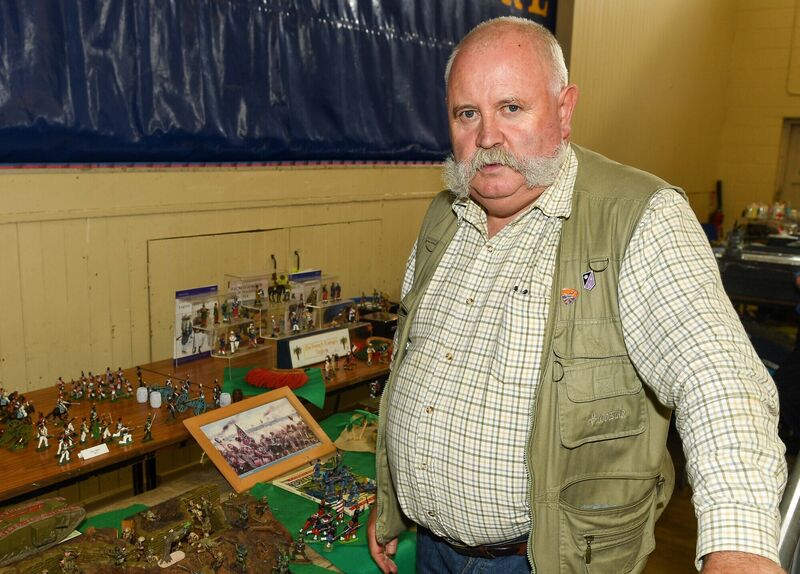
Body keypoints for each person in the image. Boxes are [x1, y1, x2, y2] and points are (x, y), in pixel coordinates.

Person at [368, 16, 787, 574]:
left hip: (545, 561)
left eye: (511, 108)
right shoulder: (444, 216)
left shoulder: (638, 218)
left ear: (564, 111)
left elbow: (719, 379)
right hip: (432, 550)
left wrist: (738, 548)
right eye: (467, 113)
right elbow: (415, 369)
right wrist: (393, 502)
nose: (487, 137)